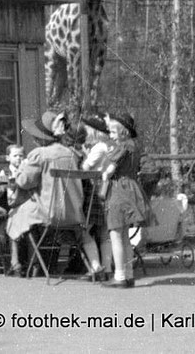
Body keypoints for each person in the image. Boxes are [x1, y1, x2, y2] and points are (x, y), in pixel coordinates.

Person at [5, 111, 87, 277]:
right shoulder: (70, 153)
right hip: (74, 213)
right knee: (27, 212)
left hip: (49, 213)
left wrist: (23, 167)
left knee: (15, 213)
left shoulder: (40, 154)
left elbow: (24, 182)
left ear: (41, 137)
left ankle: (19, 263)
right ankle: (36, 263)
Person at [100, 112, 152, 289]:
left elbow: (108, 171)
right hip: (132, 188)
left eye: (113, 133)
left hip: (118, 190)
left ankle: (120, 276)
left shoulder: (121, 147)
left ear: (122, 132)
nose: (111, 136)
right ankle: (129, 275)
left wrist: (104, 172)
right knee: (125, 237)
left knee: (115, 234)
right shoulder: (134, 146)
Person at [81, 113, 114, 279]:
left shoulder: (99, 148)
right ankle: (107, 268)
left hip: (95, 190)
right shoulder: (110, 145)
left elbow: (84, 168)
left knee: (85, 230)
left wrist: (84, 154)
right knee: (104, 232)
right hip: (107, 189)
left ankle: (96, 266)